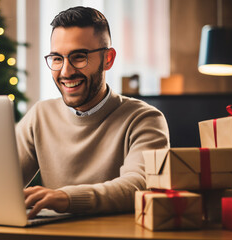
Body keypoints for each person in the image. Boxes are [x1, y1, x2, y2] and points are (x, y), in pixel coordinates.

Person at [16, 6, 170, 219]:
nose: (66, 71)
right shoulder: (40, 115)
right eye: (57, 58)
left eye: (79, 57)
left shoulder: (145, 119)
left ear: (108, 58)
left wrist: (67, 198)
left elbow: (140, 185)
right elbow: (0, 181)